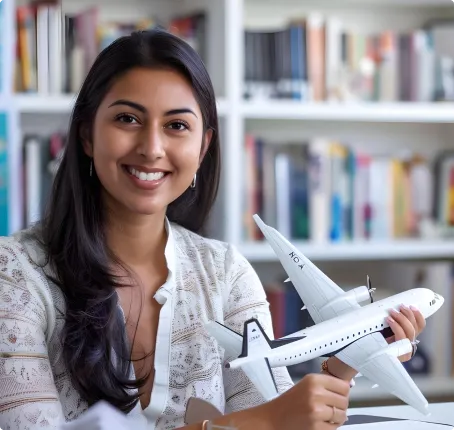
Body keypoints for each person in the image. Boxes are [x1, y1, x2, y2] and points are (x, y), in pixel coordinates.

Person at [0, 29, 426, 430]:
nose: (152, 147)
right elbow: (263, 422)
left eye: (177, 125)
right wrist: (251, 424)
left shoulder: (225, 273)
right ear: (87, 136)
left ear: (203, 147)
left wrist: (344, 366)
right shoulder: (15, 274)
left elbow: (275, 416)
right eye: (128, 119)